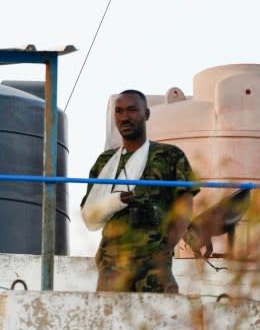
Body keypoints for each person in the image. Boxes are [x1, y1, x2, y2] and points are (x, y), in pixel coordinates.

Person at [81, 89, 198, 293]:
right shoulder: (104, 162)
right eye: (118, 111)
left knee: (161, 319)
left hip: (153, 260)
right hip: (112, 262)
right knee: (109, 321)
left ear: (147, 114)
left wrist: (166, 247)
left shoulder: (170, 156)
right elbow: (90, 213)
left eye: (132, 110)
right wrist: (115, 201)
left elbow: (184, 207)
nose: (125, 117)